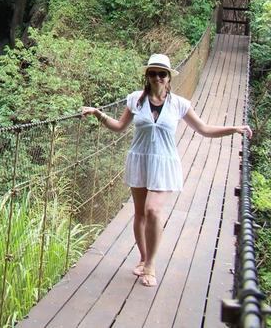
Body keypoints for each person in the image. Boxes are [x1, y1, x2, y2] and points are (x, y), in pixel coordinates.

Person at [80, 53, 251, 288]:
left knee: (152, 210)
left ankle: (150, 264)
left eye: (162, 73)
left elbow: (204, 129)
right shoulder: (135, 100)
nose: (157, 77)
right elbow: (119, 127)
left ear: (169, 77)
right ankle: (142, 257)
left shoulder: (179, 104)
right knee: (139, 213)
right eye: (153, 73)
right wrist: (99, 114)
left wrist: (233, 128)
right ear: (147, 76)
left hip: (165, 163)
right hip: (140, 161)